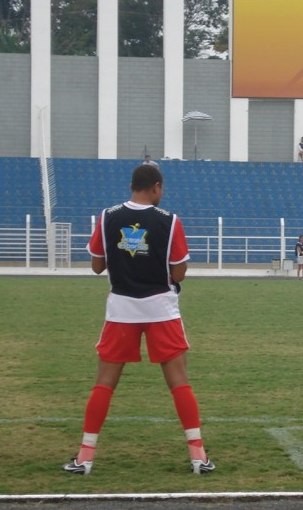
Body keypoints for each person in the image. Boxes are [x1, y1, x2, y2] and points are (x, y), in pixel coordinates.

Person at [63, 164, 213, 476]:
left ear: (133, 185)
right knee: (179, 382)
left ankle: (85, 458)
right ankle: (198, 456)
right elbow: (179, 271)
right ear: (156, 187)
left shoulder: (107, 216)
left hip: (121, 309)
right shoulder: (169, 220)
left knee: (104, 383)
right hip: (161, 309)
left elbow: (96, 266)